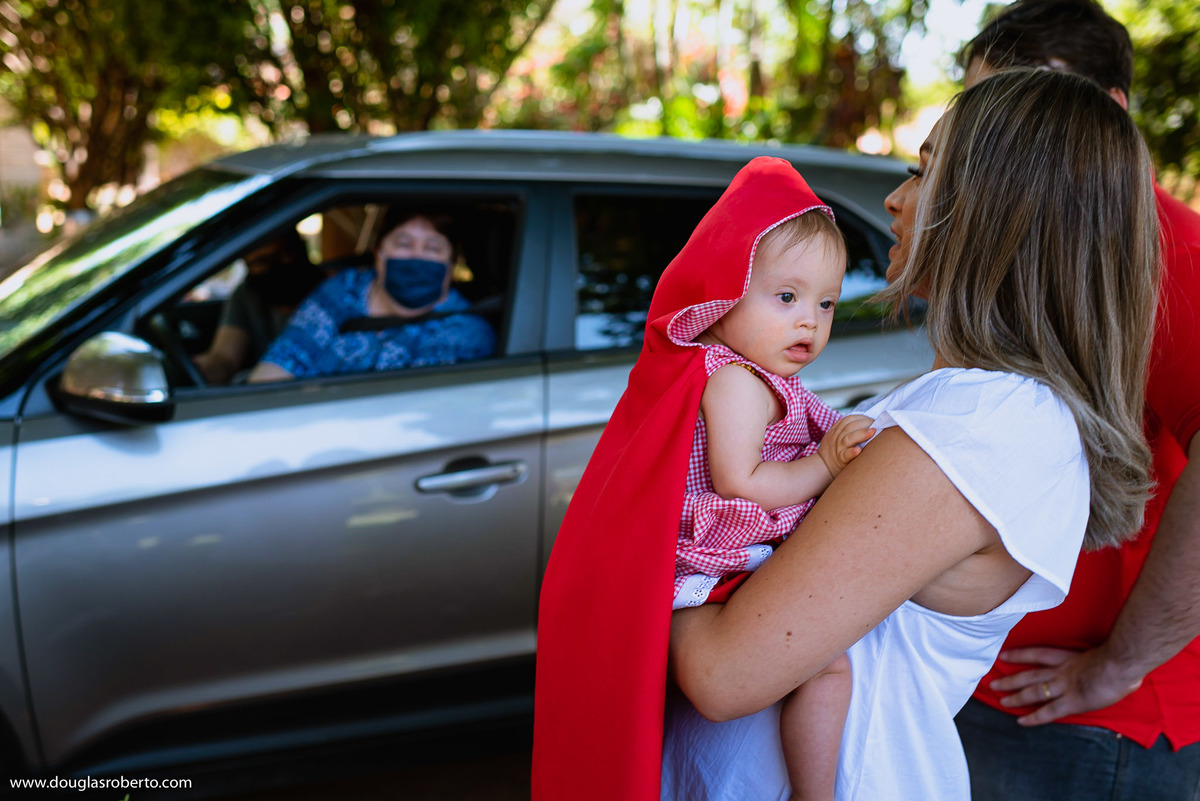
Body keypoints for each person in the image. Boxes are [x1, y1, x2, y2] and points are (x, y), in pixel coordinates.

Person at [533, 67, 1161, 801]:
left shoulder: (984, 425)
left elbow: (726, 673)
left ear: (994, 209)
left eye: (921, 173)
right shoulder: (970, 406)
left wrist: (630, 576)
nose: (893, 199)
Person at [951, 2, 1200, 798]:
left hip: (1099, 722)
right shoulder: (1042, 241)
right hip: (1002, 689)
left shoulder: (1169, 253)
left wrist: (1119, 664)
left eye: (1027, 110)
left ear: (1109, 113)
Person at [662, 178, 874, 801]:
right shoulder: (734, 381)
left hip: (742, 554)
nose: (809, 319)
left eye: (827, 304)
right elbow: (741, 481)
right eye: (786, 296)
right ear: (727, 296)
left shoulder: (753, 374)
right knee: (826, 665)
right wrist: (828, 465)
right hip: (718, 558)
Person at [247, 212, 495, 382]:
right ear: (379, 253)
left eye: (432, 248)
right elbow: (284, 359)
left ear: (450, 265)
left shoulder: (466, 334)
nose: (415, 257)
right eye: (403, 243)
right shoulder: (345, 289)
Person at [193, 229, 326, 384]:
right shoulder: (248, 295)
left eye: (286, 252)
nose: (282, 264)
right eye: (264, 261)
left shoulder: (332, 295)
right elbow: (224, 357)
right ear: (248, 265)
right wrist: (203, 368)